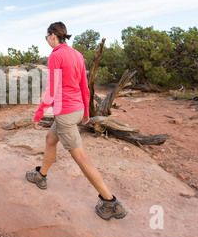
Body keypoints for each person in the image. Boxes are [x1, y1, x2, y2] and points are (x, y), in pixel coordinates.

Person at [26, 22, 128, 221]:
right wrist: (86, 110)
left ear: (54, 36)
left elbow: (51, 91)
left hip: (64, 113)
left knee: (81, 157)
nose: (46, 40)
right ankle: (41, 176)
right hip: (76, 110)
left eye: (46, 36)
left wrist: (38, 115)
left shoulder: (55, 55)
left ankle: (110, 202)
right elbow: (84, 85)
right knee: (50, 139)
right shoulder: (78, 55)